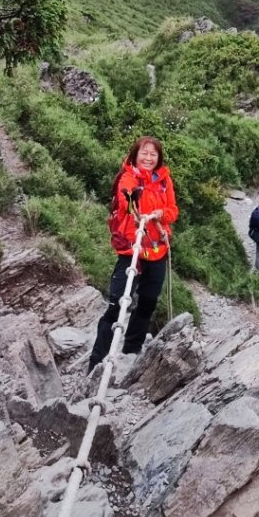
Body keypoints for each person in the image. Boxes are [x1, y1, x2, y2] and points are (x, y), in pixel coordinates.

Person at [88, 136, 178, 372]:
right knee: (117, 304)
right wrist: (135, 208)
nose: (148, 158)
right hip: (133, 248)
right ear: (136, 155)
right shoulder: (128, 178)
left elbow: (173, 210)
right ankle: (97, 361)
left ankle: (132, 348)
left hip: (157, 248)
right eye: (144, 154)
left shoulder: (164, 180)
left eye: (153, 154)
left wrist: (160, 214)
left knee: (148, 301)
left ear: (158, 158)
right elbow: (125, 200)